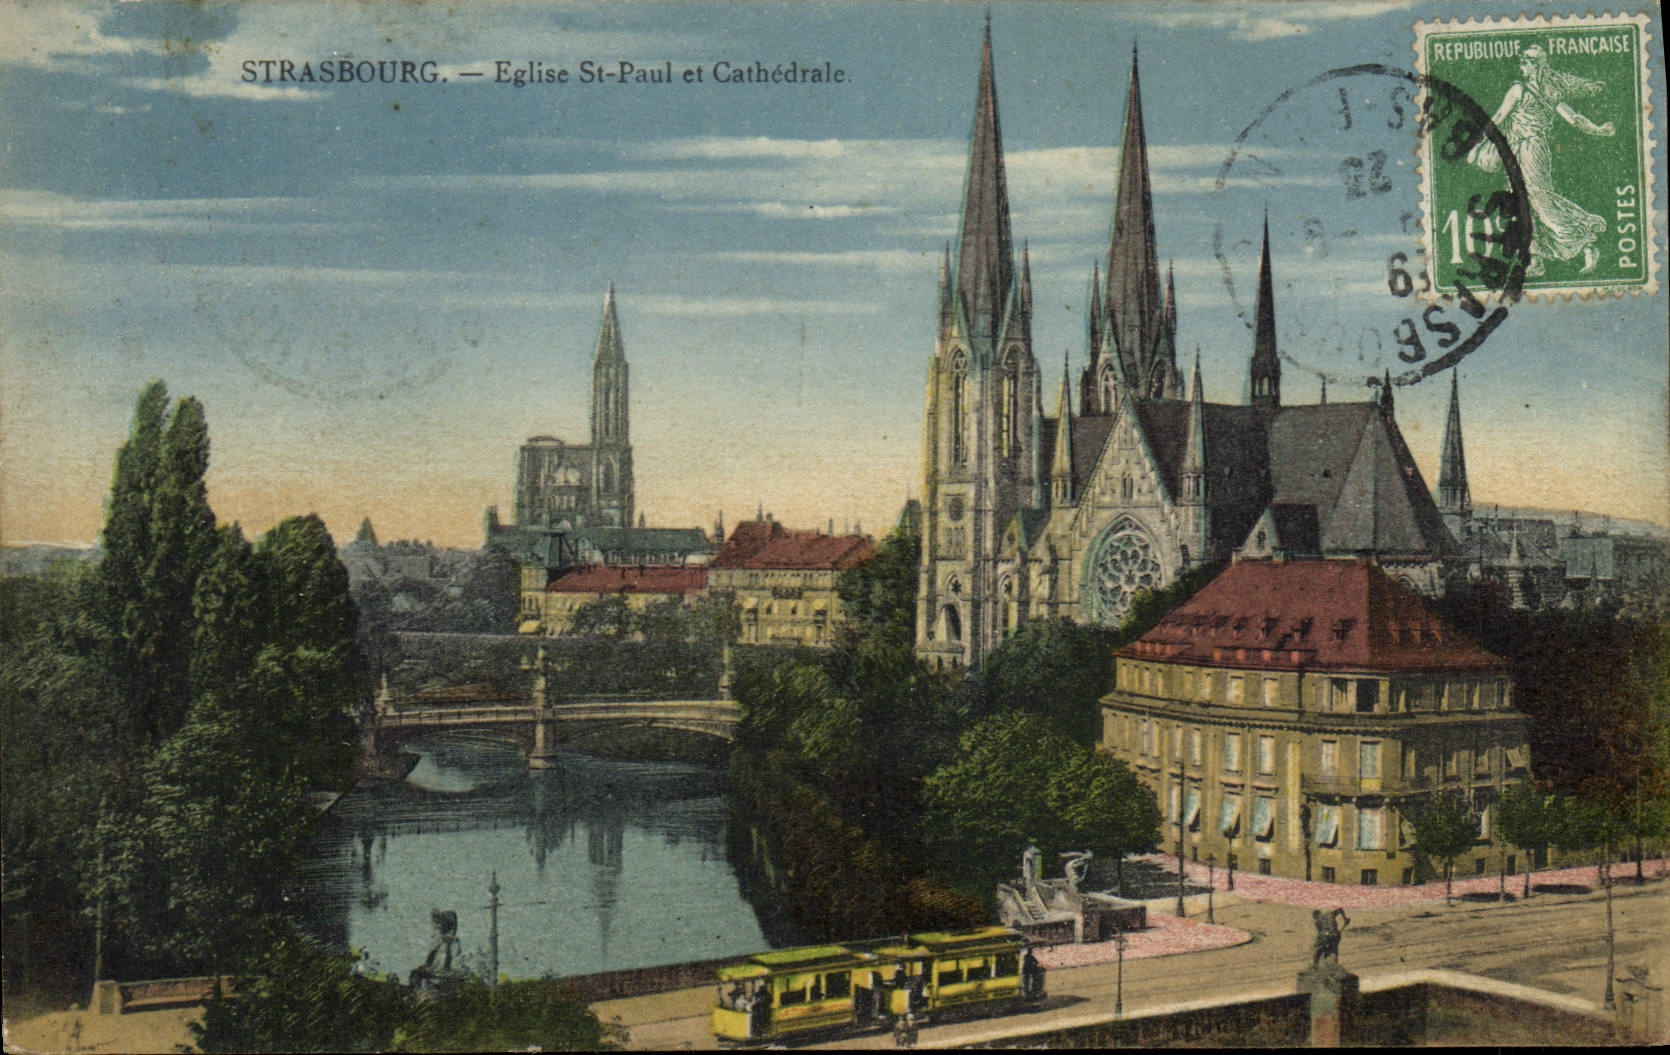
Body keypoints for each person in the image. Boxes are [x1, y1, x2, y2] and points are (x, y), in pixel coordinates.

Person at [1471, 45, 1614, 276]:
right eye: (1522, 62)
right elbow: (1499, 118)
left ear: (1538, 66)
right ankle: (1535, 260)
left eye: (1527, 63)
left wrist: (1597, 130)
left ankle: (1585, 240)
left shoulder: (1528, 90)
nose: (1522, 67)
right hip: (1516, 151)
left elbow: (1499, 117)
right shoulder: (1536, 90)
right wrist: (1598, 130)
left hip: (1532, 150)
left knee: (1539, 200)